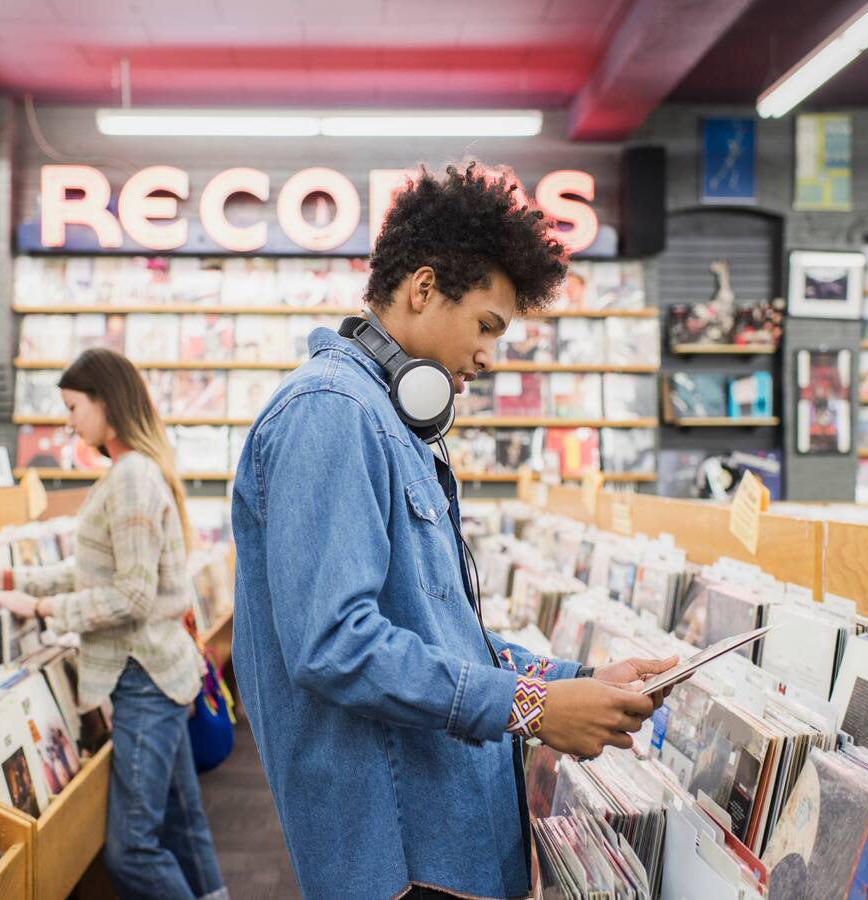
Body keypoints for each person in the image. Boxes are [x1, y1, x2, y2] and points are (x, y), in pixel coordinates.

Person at [230, 162, 679, 899]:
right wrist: (534, 709)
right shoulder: (331, 413)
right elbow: (335, 645)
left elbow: (438, 630)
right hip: (399, 852)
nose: (488, 357)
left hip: (447, 832)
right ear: (423, 288)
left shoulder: (389, 420)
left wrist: (575, 683)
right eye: (486, 326)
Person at [0, 348, 228, 900]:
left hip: (145, 679)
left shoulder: (132, 478)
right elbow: (93, 571)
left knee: (131, 850)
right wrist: (10, 579)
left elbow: (131, 595)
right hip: (159, 672)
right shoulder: (130, 472)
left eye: (73, 407)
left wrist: (44, 611)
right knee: (183, 825)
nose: (69, 422)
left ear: (105, 402)